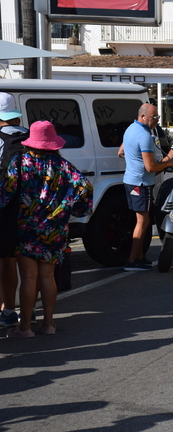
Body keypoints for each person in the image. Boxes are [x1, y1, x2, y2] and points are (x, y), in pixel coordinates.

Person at [0, 121, 93, 338]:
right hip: (55, 229)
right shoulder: (63, 165)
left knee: (29, 278)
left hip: (26, 229)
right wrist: (72, 208)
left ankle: (25, 329)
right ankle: (49, 324)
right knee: (48, 277)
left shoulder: (20, 162)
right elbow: (84, 187)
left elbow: (5, 195)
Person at [122, 103, 173, 271]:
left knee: (142, 220)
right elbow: (150, 167)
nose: (157, 121)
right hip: (141, 183)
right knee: (143, 222)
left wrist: (133, 159)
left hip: (131, 180)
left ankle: (139, 256)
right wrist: (170, 163)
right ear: (143, 116)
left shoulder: (130, 129)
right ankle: (132, 260)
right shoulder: (144, 136)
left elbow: (120, 151)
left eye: (158, 117)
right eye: (155, 117)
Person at [0, 93, 26, 328]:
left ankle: (8, 310)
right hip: (33, 210)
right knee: (29, 263)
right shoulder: (32, 138)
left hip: (5, 209)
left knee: (6, 260)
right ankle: (28, 311)